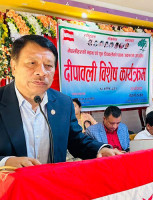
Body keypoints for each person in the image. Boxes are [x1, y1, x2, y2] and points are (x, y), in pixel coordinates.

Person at [0, 35, 122, 168]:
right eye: (32, 63)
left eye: (48, 65)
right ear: (14, 66)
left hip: (53, 184)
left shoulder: (63, 103)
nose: (41, 72)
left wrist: (100, 150)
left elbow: (76, 141)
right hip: (10, 186)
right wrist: (5, 162)